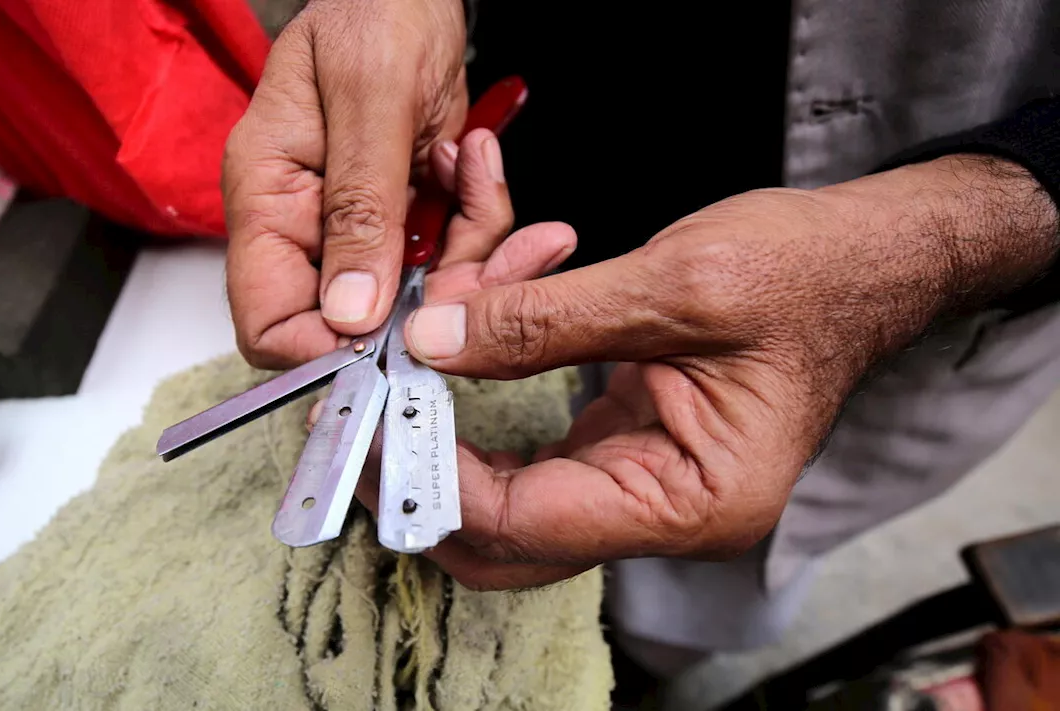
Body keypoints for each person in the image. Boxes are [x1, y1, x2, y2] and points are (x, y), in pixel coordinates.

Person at [221, 0, 1060, 682]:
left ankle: (641, 665)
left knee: (671, 593)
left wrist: (940, 244)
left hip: (912, 288)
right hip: (545, 171)